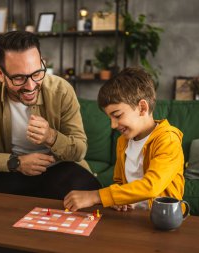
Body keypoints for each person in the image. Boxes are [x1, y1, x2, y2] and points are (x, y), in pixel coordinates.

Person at [0, 31, 101, 253]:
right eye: (19, 78)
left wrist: (51, 137)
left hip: (53, 173)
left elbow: (79, 149)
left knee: (89, 187)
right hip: (7, 174)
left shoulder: (61, 90)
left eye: (37, 73)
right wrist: (15, 163)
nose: (30, 85)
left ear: (43, 63)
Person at [64, 67, 185, 212]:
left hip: (163, 220)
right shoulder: (123, 141)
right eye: (110, 118)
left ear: (142, 108)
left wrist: (96, 196)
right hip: (132, 217)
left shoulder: (168, 140)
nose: (113, 125)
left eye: (117, 115)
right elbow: (120, 183)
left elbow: (151, 186)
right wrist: (118, 201)